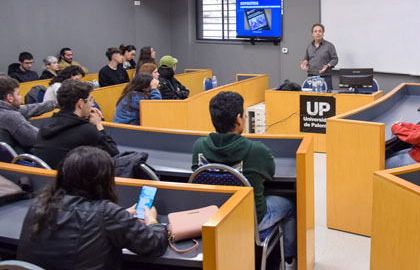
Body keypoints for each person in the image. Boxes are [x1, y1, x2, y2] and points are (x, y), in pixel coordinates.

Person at [17, 146, 168, 270]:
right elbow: (154, 245)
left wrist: (121, 217)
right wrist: (153, 222)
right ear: (103, 180)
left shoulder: (39, 203)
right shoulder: (105, 213)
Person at [192, 91, 297, 269]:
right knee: (290, 206)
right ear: (239, 119)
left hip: (212, 216)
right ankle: (288, 261)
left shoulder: (199, 146)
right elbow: (269, 174)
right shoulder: (256, 150)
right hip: (252, 219)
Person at [32, 80, 119, 169]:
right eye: (90, 100)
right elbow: (114, 154)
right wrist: (98, 125)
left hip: (46, 179)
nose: (92, 104)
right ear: (81, 103)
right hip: (72, 181)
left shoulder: (46, 124)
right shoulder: (87, 131)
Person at [0, 76, 57, 153]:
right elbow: (38, 138)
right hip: (18, 162)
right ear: (10, 98)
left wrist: (55, 104)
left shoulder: (5, 111)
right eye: (18, 94)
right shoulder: (11, 117)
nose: (21, 97)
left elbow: (29, 109)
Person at [300, 23, 338, 91]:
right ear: (312, 34)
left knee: (326, 99)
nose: (317, 33)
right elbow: (306, 58)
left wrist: (327, 65)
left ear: (323, 33)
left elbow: (335, 59)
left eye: (320, 31)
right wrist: (305, 62)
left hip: (325, 77)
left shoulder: (329, 45)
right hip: (311, 77)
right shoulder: (309, 46)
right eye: (315, 31)